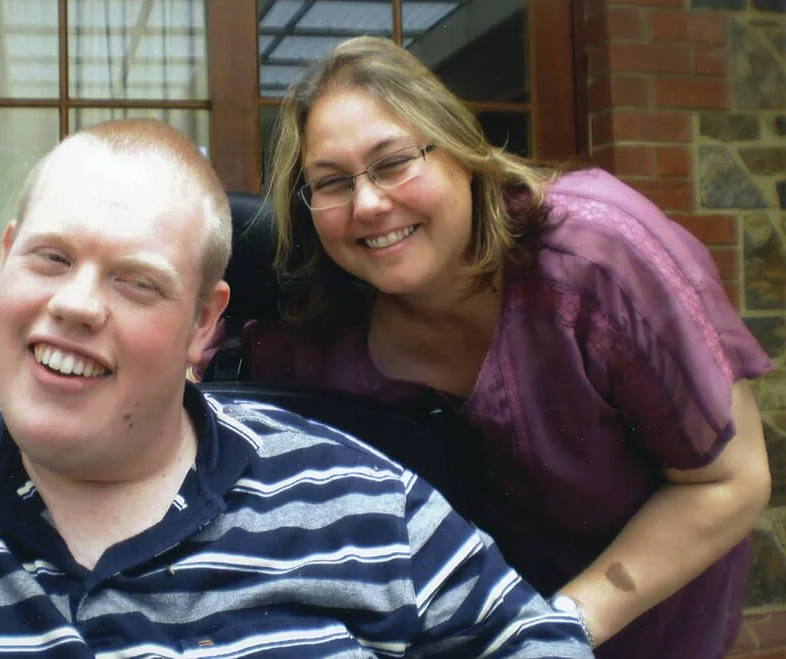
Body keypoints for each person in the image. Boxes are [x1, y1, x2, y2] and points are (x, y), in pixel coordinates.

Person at [0, 119, 592, 658]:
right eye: (51, 258)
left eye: (136, 282)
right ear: (5, 260)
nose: (73, 303)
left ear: (206, 325)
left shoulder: (364, 504)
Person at [223, 36, 773, 658]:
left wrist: (548, 632)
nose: (369, 203)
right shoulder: (317, 330)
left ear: (460, 149)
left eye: (395, 161)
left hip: (652, 628)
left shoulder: (598, 261)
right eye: (332, 182)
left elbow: (732, 479)